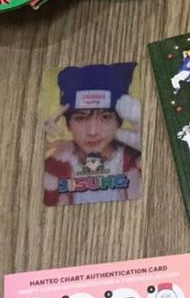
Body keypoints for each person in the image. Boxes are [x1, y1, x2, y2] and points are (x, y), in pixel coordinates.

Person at [43, 63, 142, 206]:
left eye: (105, 117)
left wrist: (152, 143)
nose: (92, 132)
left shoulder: (136, 161)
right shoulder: (54, 166)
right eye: (81, 118)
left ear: (119, 121)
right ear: (68, 124)